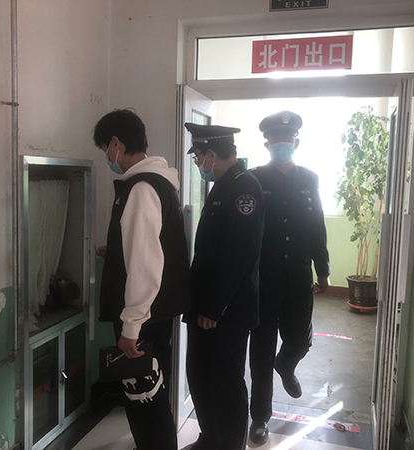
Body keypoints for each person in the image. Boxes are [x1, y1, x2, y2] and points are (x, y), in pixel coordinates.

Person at [94, 109, 191, 450]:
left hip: (143, 319)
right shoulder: (157, 182)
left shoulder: (141, 188)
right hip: (155, 313)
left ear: (116, 143)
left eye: (105, 149)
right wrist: (117, 252)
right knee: (151, 394)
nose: (107, 157)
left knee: (144, 398)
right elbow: (150, 247)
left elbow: (146, 265)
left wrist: (131, 326)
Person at [248, 111, 331, 445]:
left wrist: (323, 269)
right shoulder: (254, 179)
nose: (282, 144)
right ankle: (260, 418)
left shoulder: (310, 179)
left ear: (296, 142)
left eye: (287, 139)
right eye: (276, 139)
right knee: (261, 352)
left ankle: (286, 365)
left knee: (300, 341)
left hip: (298, 277)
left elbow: (317, 225)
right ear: (267, 144)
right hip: (263, 281)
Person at [181, 123, 264, 450]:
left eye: (199, 157)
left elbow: (238, 255)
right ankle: (210, 438)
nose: (198, 163)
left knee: (226, 382)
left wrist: (214, 308)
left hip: (226, 311)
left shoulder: (245, 188)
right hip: (207, 306)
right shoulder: (225, 184)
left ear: (212, 155)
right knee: (201, 376)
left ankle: (229, 444)